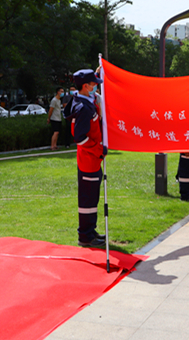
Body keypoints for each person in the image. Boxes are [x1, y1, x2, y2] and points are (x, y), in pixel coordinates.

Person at [67, 69, 107, 247]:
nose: (96, 86)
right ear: (85, 86)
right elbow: (79, 137)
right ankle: (85, 236)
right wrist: (98, 148)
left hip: (93, 159)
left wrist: (97, 69)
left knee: (92, 198)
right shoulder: (82, 107)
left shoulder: (86, 101)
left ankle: (90, 231)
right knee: (87, 199)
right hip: (89, 159)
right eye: (93, 84)